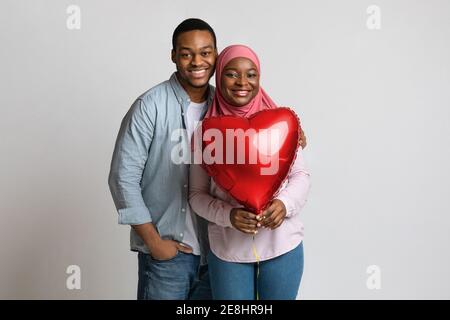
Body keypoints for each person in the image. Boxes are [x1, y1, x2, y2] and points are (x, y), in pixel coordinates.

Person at [189, 45, 311, 300]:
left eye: (251, 74)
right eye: (231, 74)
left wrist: (284, 204)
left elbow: (301, 176)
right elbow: (196, 195)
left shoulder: (283, 124)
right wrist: (229, 216)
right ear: (218, 76)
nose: (242, 82)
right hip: (228, 252)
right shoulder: (206, 133)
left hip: (283, 246)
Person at [108, 18, 218, 300]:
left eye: (205, 52)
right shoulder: (150, 105)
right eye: (186, 53)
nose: (197, 61)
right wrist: (154, 242)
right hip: (169, 257)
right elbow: (123, 177)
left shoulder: (225, 107)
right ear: (173, 56)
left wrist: (295, 133)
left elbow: (259, 142)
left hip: (218, 256)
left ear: (216, 55)